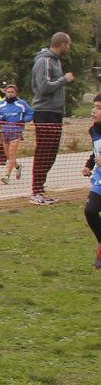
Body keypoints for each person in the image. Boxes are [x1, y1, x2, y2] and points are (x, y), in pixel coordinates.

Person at [29, 32, 75, 205]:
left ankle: (41, 189)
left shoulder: (56, 61)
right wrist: (64, 79)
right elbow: (43, 88)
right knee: (44, 151)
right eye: (68, 44)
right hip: (44, 112)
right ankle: (36, 191)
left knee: (51, 153)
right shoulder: (44, 61)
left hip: (55, 112)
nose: (68, 48)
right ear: (61, 44)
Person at [0, 83, 34, 186]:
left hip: (16, 132)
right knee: (8, 155)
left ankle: (6, 176)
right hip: (5, 132)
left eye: (12, 92)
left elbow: (30, 113)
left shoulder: (21, 103)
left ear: (16, 93)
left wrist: (23, 120)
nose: (10, 94)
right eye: (8, 92)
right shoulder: (1, 104)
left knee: (12, 154)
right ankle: (18, 167)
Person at [83, 93, 101, 269]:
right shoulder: (94, 130)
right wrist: (89, 165)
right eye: (94, 106)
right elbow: (96, 151)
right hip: (100, 179)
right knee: (90, 211)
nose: (94, 111)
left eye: (99, 108)